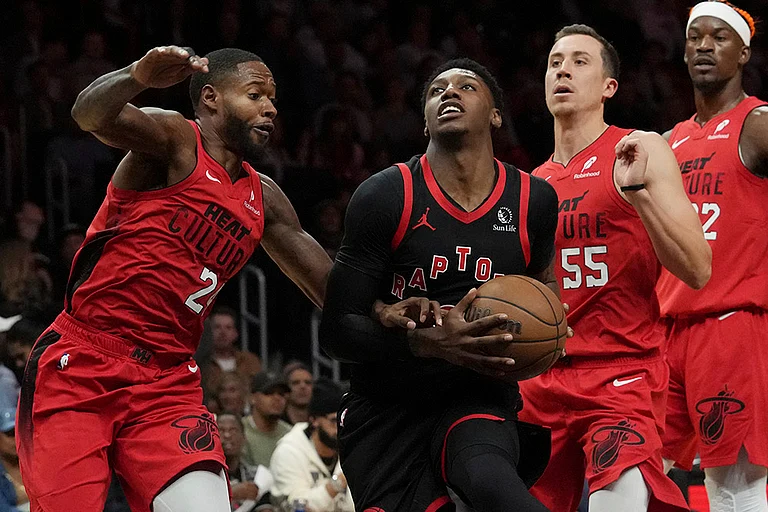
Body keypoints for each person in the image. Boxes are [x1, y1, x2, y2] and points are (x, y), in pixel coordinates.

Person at [16, 46, 334, 512]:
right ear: (211, 98)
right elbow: (88, 115)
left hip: (167, 383)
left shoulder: (263, 199)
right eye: (255, 94)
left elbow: (335, 290)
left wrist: (403, 307)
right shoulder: (174, 140)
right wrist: (136, 75)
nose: (271, 108)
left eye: (273, 99)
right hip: (83, 362)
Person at [321, 58, 559, 512]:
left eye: (467, 86)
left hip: (476, 396)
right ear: (425, 122)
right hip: (387, 407)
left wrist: (551, 333)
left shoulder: (535, 201)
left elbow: (544, 289)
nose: (449, 93)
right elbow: (336, 330)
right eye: (436, 91)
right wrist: (426, 344)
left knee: (496, 487)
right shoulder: (385, 195)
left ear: (495, 114)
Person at [518, 24, 712, 512]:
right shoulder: (530, 184)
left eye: (580, 61)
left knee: (619, 503)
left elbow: (698, 268)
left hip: (620, 373)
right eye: (555, 61)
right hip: (542, 377)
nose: (563, 69)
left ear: (609, 87)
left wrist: (638, 195)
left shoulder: (639, 149)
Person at [656, 3, 768, 511]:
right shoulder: (667, 143)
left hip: (731, 324)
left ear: (743, 52)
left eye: (719, 38)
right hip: (664, 331)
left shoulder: (759, 124)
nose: (704, 46)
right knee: (635, 474)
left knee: (733, 490)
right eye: (695, 37)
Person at [269, 379, 354, 512]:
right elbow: (297, 506)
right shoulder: (288, 452)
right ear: (314, 420)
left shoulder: (350, 447)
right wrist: (337, 484)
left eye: (342, 420)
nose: (340, 428)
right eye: (333, 420)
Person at [200, 306, 262, 400]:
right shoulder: (201, 363)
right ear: (209, 332)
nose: (222, 332)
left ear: (235, 333)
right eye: (217, 327)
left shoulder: (250, 361)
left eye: (228, 328)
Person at [217, 412, 272, 512]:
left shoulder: (257, 477)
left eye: (233, 430)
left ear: (244, 437)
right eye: (220, 430)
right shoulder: (206, 477)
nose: (227, 435)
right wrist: (232, 493)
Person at [242, 372, 292, 468]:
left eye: (281, 394)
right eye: (268, 393)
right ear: (252, 398)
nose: (277, 398)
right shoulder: (239, 430)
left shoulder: (290, 434)